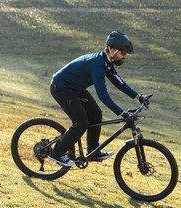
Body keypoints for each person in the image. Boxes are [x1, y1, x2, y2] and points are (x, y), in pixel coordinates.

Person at [49, 31, 150, 166]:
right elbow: (103, 95)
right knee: (81, 123)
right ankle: (56, 153)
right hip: (62, 88)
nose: (125, 57)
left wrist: (138, 97)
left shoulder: (107, 63)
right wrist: (122, 113)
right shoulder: (98, 65)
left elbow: (118, 82)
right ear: (112, 50)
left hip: (75, 88)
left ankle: (93, 151)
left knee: (96, 114)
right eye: (123, 53)